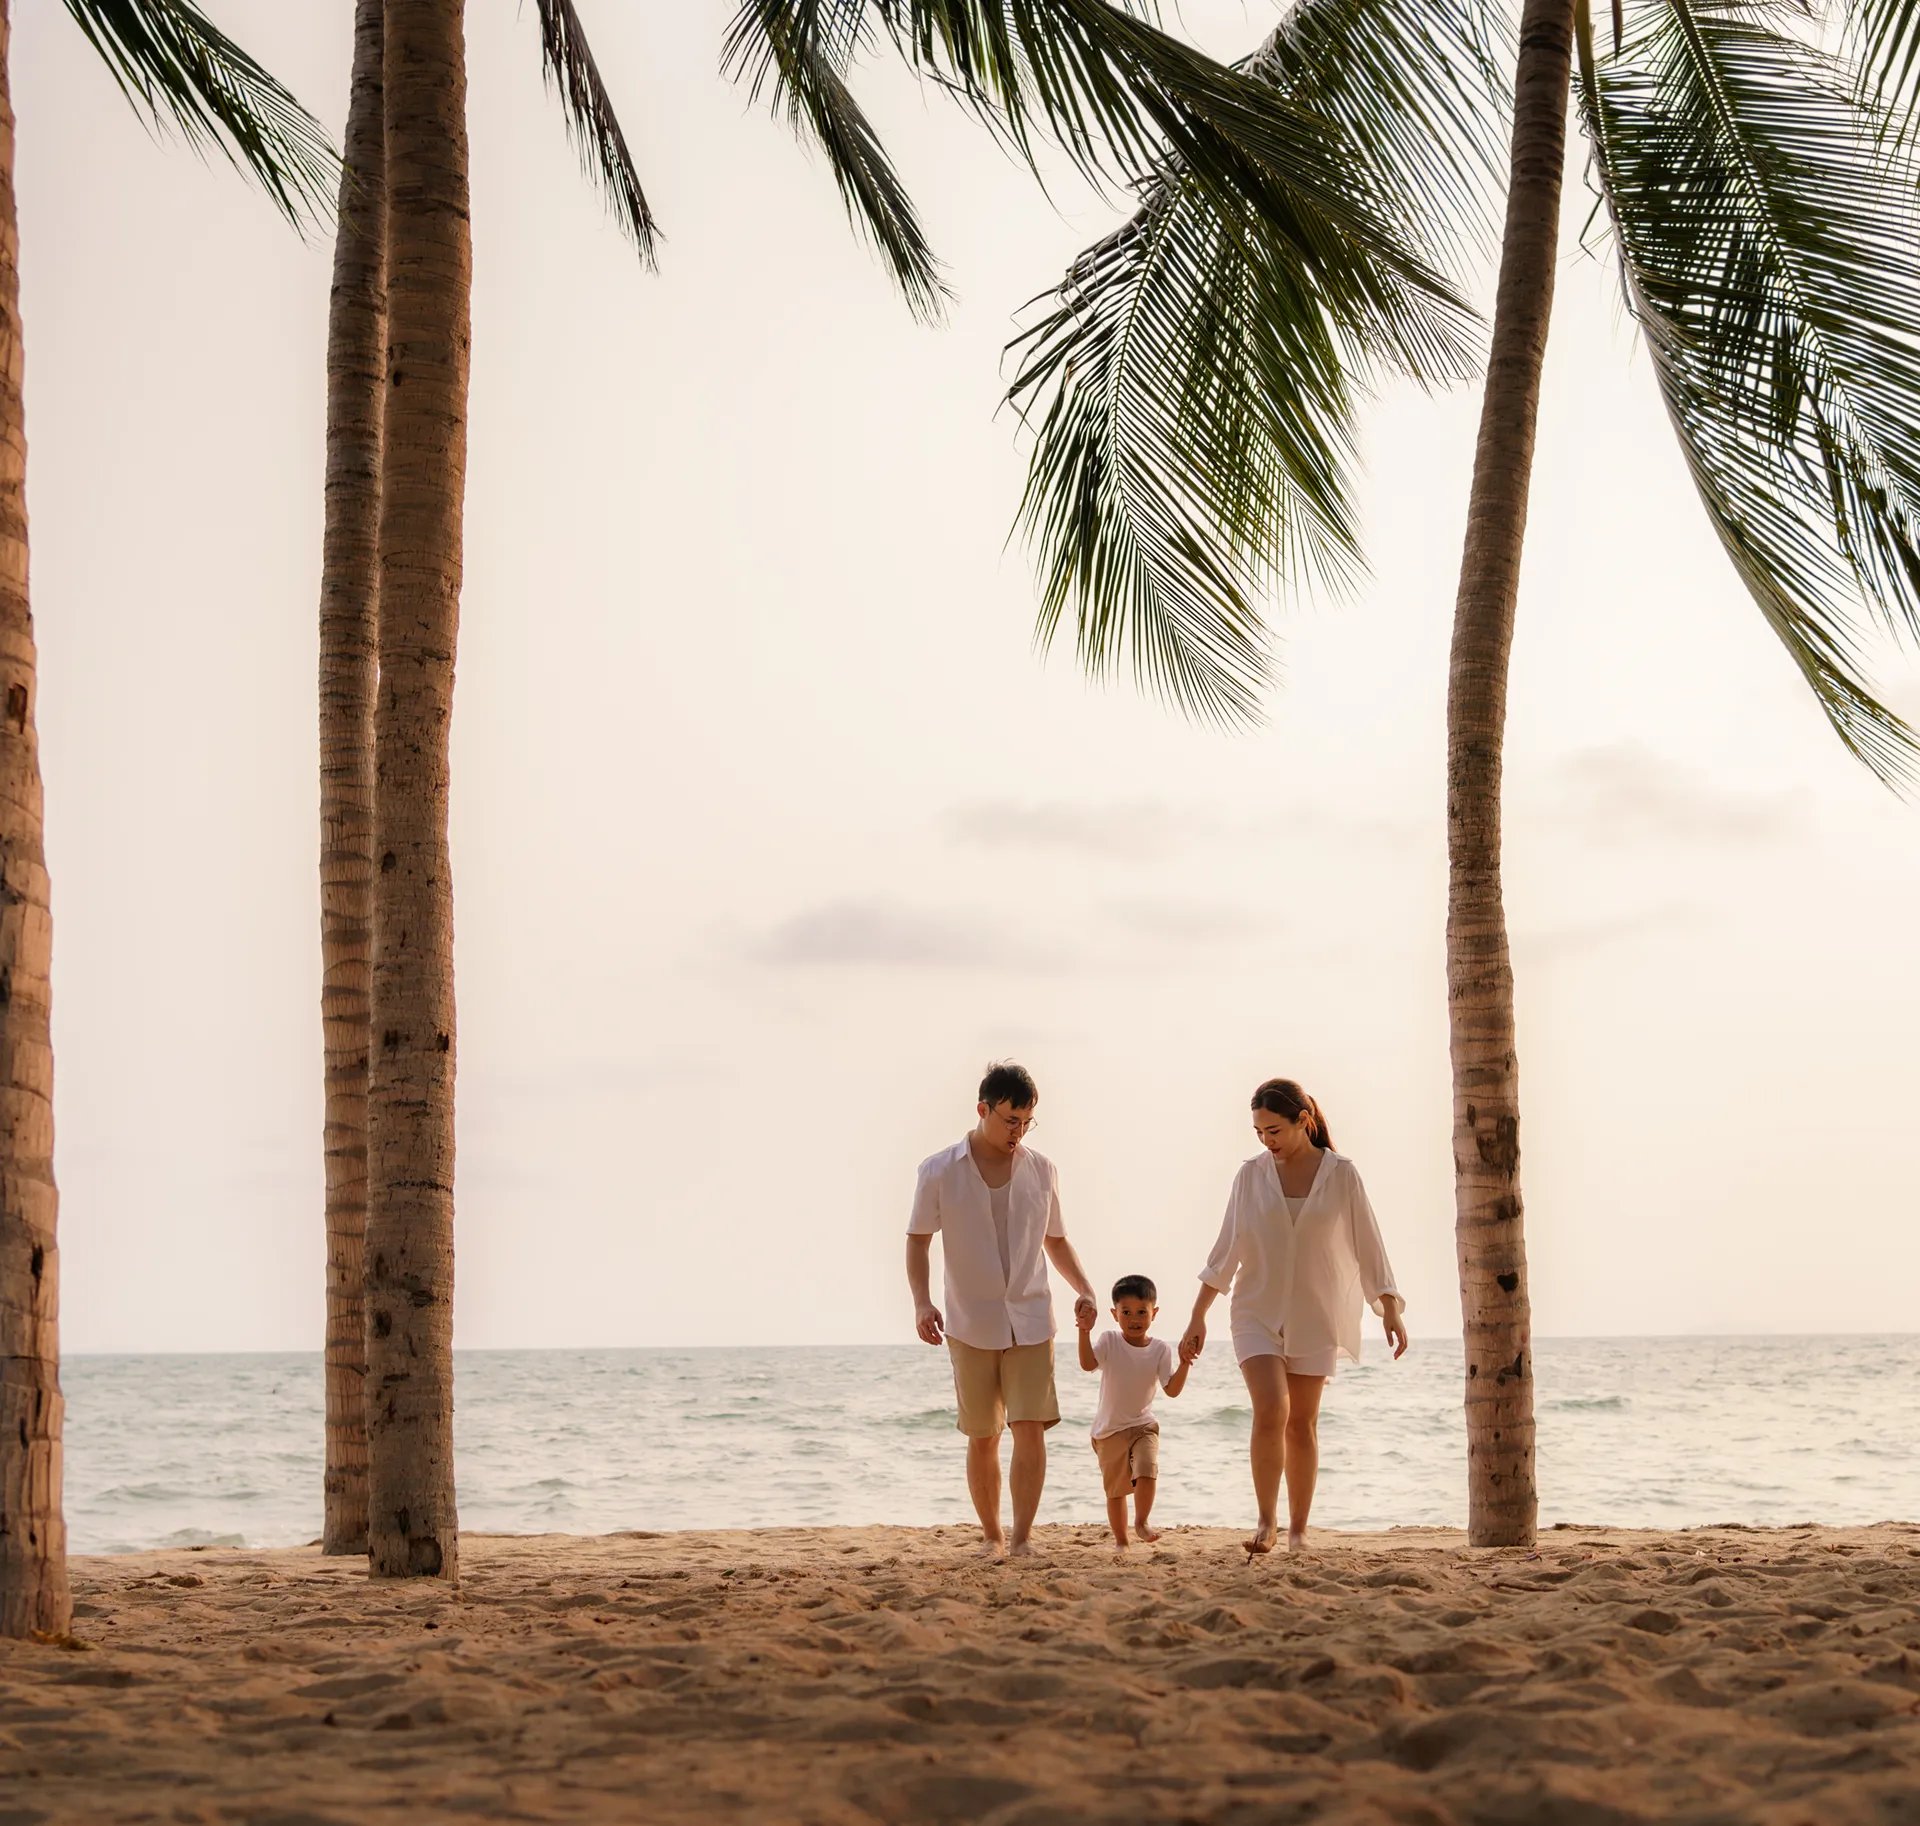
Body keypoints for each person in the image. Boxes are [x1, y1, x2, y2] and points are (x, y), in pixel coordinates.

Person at [1181, 1077, 1408, 1556]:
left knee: (1302, 1423)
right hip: (1255, 1311)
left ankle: (1300, 1530)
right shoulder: (1250, 1177)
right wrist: (1198, 1315)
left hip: (1315, 1315)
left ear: (1303, 1121)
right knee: (1271, 1410)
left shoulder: (1341, 1174)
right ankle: (1267, 1522)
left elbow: (1370, 1245)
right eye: (1259, 1132)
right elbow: (1225, 1252)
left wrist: (1388, 1308)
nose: (1267, 1141)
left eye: (1275, 1131)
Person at [906, 1062, 1098, 1558]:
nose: (1018, 1131)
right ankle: (991, 1535)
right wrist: (922, 1301)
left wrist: (1084, 1288)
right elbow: (918, 1240)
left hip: (1033, 1318)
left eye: (1026, 1122)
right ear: (983, 1110)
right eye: (1010, 1120)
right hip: (969, 1321)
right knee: (983, 1435)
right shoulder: (939, 1170)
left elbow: (1056, 1240)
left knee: (1029, 1427)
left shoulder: (1043, 1170)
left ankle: (1022, 1539)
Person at [1077, 1273, 1190, 1551]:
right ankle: (1121, 1541)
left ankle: (1141, 1521)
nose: (1134, 1318)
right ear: (1115, 1314)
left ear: (1155, 1313)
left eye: (1142, 1312)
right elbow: (1087, 1364)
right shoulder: (1110, 1340)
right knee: (1115, 1492)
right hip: (1109, 1430)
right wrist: (1084, 1331)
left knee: (1146, 1469)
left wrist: (1185, 1363)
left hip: (1143, 1425)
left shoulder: (1160, 1349)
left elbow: (1172, 1389)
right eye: (1126, 1312)